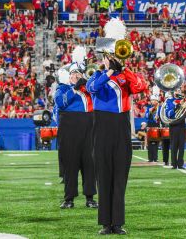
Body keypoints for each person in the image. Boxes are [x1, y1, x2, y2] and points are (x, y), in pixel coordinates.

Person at [86, 48, 146, 234]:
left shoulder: (126, 76)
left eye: (114, 57)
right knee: (103, 174)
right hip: (102, 124)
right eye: (108, 58)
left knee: (120, 175)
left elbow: (139, 87)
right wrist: (109, 71)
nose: (111, 60)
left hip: (121, 125)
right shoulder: (97, 75)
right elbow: (92, 88)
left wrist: (124, 69)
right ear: (103, 59)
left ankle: (118, 222)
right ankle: (105, 223)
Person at [54, 47, 97, 209]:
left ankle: (90, 198)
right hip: (69, 131)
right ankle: (69, 199)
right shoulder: (62, 88)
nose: (76, 77)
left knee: (89, 164)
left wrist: (85, 85)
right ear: (69, 76)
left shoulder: (89, 90)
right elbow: (61, 103)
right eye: (73, 74)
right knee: (70, 165)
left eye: (78, 75)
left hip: (88, 128)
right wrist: (75, 88)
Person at [165, 90, 186, 169]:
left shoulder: (184, 100)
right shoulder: (169, 101)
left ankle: (180, 164)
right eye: (176, 90)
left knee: (181, 146)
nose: (178, 92)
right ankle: (174, 164)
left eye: (179, 90)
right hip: (173, 125)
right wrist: (177, 106)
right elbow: (168, 114)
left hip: (182, 124)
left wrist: (184, 103)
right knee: (174, 145)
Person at [145, 95, 160, 162]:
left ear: (157, 101)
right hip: (150, 125)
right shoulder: (148, 108)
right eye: (152, 100)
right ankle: (150, 158)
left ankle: (155, 158)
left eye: (154, 100)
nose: (152, 101)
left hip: (156, 125)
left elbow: (160, 117)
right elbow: (146, 116)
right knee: (150, 142)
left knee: (156, 142)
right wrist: (150, 112)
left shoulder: (159, 108)